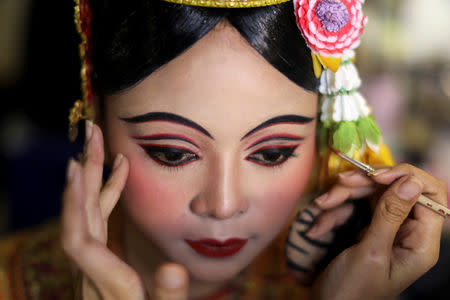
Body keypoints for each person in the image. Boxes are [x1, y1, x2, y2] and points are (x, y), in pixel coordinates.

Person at [0, 0, 447, 299]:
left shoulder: (351, 281)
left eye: (272, 153)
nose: (224, 205)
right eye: (173, 153)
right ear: (94, 112)